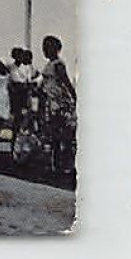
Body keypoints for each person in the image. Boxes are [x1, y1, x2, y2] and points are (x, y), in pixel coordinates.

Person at [39, 35, 77, 175]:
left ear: (56, 49)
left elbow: (65, 82)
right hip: (50, 102)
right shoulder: (49, 64)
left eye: (48, 47)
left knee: (62, 134)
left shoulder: (58, 64)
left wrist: (75, 97)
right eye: (44, 47)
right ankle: (55, 162)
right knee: (53, 134)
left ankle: (64, 163)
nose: (45, 50)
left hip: (59, 103)